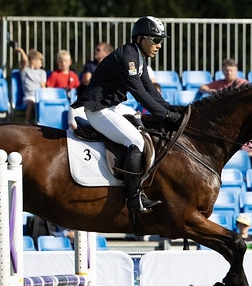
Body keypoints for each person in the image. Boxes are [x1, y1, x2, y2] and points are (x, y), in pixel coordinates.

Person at [71, 16, 183, 215]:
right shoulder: (128, 58)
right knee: (136, 142)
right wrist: (165, 116)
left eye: (161, 41)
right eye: (155, 40)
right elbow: (139, 94)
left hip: (112, 106)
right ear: (140, 38)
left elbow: (150, 90)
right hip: (99, 110)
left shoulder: (139, 58)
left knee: (140, 120)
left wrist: (171, 110)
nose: (159, 45)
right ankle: (134, 198)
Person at [14, 46, 47, 123]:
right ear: (33, 61)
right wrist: (21, 51)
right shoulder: (25, 70)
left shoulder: (42, 72)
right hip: (29, 97)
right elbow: (25, 60)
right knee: (30, 102)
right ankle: (27, 122)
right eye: (40, 61)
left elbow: (43, 86)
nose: (41, 64)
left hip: (39, 96)